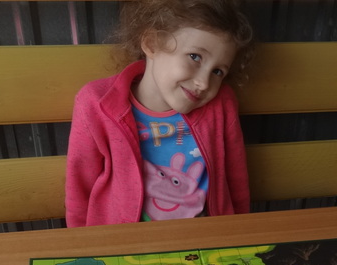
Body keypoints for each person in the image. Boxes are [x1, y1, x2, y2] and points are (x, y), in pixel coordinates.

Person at [65, 0, 254, 227]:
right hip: (128, 240)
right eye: (195, 57)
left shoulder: (221, 104)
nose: (204, 83)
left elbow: (236, 180)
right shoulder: (96, 103)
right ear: (152, 43)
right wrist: (80, 242)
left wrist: (240, 234)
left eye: (218, 71)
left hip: (206, 237)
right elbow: (79, 187)